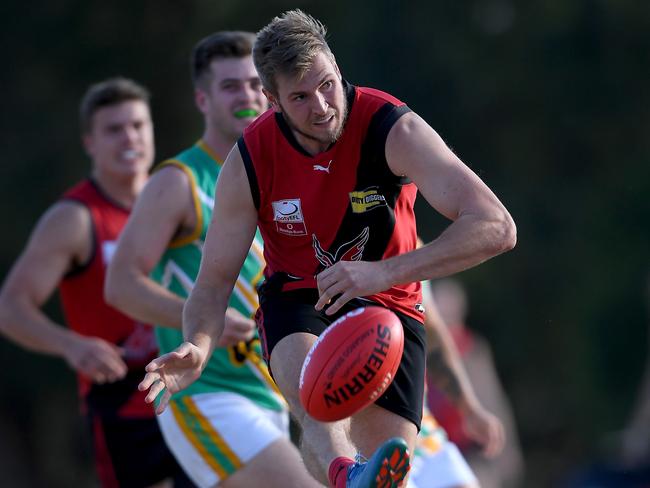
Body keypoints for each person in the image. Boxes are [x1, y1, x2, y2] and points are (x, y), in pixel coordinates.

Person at [139, 9, 516, 488]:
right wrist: (197, 345)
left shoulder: (391, 130)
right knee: (312, 396)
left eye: (327, 85)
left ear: (338, 70)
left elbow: (496, 226)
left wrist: (382, 274)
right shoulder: (251, 160)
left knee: (390, 468)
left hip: (391, 305)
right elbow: (213, 284)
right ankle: (344, 477)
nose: (321, 106)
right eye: (299, 96)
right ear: (271, 100)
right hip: (299, 297)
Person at [105, 32, 322, 488]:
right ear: (203, 99)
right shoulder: (178, 181)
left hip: (269, 396)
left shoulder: (288, 173)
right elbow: (120, 285)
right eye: (229, 86)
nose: (244, 96)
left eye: (252, 84)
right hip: (206, 397)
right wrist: (208, 322)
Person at [0, 78, 190, 487]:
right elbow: (10, 306)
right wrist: (71, 344)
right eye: (114, 129)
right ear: (90, 142)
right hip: (123, 406)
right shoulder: (74, 218)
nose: (130, 138)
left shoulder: (178, 202)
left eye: (138, 126)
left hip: (193, 394)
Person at [423, 278, 525, 488]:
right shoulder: (420, 347)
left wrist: (508, 454)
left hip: (473, 449)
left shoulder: (473, 349)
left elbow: (493, 399)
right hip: (433, 442)